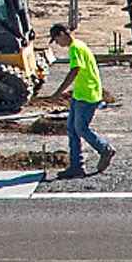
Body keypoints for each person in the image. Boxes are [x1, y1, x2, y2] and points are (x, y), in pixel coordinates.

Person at [52, 21, 111, 177]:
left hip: (87, 95)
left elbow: (74, 71)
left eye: (56, 39)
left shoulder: (76, 48)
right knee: (72, 130)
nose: (57, 43)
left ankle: (105, 150)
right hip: (80, 94)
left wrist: (58, 92)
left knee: (81, 129)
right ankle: (76, 167)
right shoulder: (78, 45)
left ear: (62, 34)